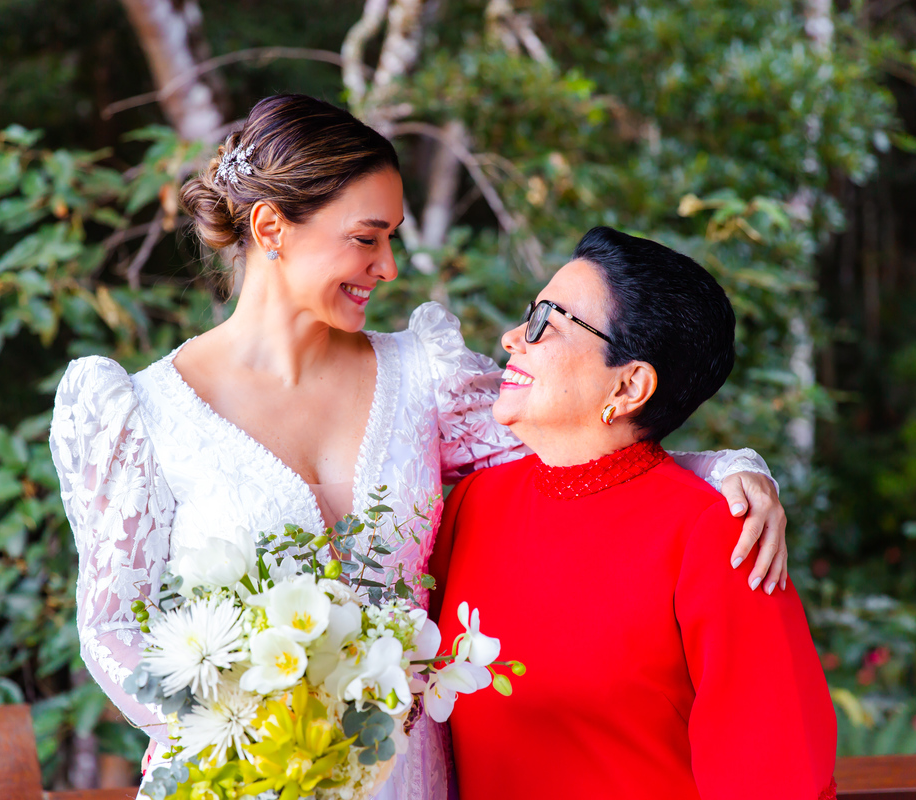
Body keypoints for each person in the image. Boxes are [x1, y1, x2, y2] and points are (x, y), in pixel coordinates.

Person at [49, 95, 788, 800]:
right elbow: (114, 631)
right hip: (239, 772)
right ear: (272, 227)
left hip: (405, 775)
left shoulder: (424, 378)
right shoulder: (137, 412)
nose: (389, 265)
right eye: (366, 237)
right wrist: (257, 729)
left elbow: (581, 449)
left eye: (393, 237)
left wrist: (727, 468)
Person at [429, 226, 837, 800]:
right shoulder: (474, 503)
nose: (513, 337)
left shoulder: (722, 534)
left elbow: (776, 776)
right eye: (529, 314)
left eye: (547, 322)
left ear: (629, 386)